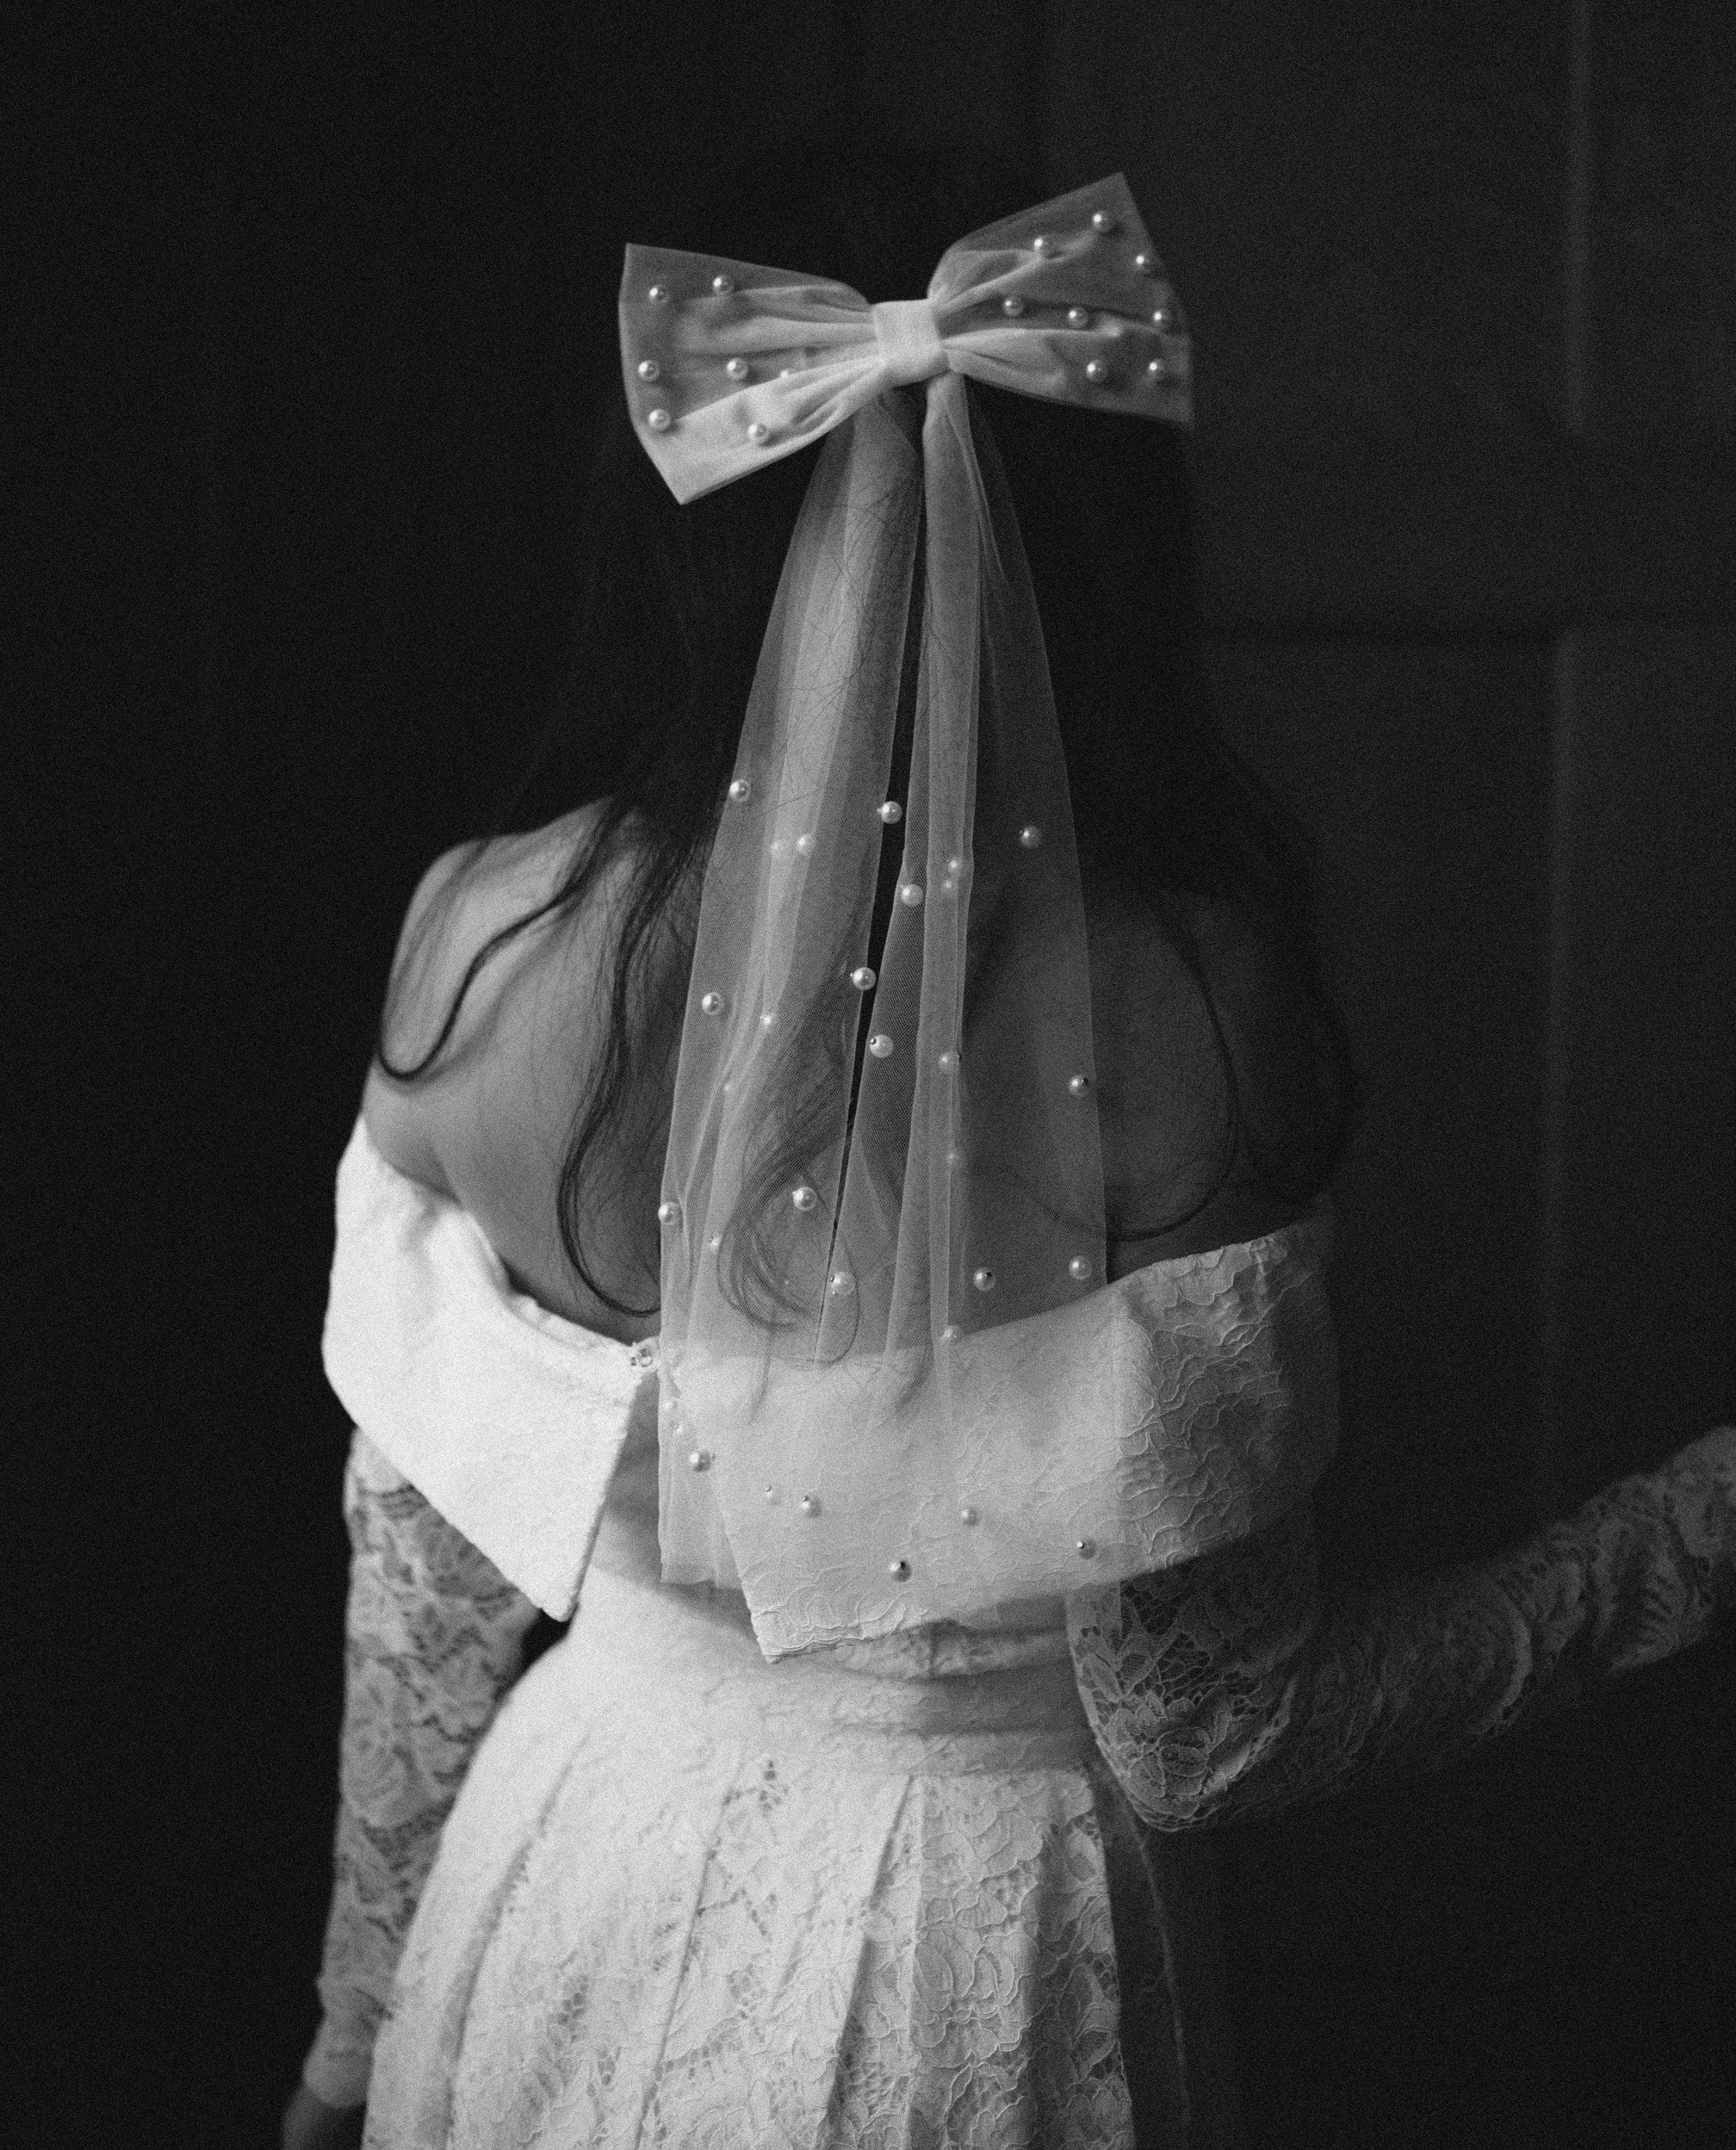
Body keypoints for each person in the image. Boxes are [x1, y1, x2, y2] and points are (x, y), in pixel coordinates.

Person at [284, 147, 1734, 2150]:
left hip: (561, 1892)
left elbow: (426, 1602)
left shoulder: (484, 940)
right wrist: (1675, 1549)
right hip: (968, 1971)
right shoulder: (1184, 1019)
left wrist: (354, 2039)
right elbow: (1209, 1733)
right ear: (1101, 547)